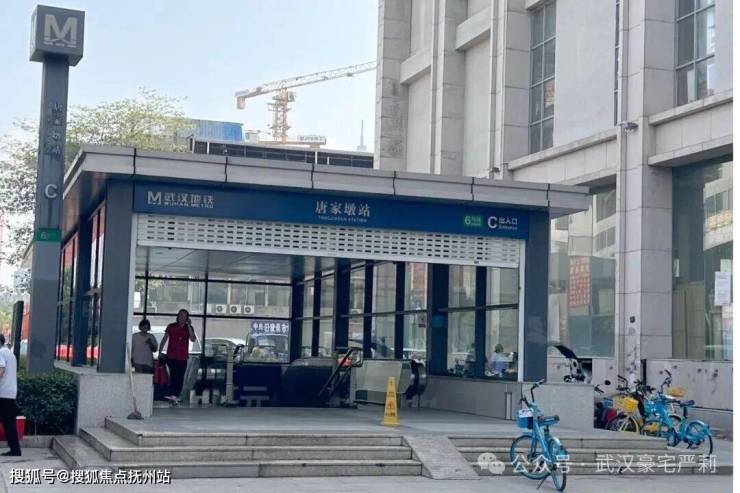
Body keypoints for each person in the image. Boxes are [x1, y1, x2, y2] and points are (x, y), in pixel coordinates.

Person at [158, 309, 196, 402]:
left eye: (184, 316)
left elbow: (193, 339)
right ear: (178, 316)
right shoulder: (171, 326)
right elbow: (165, 338)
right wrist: (160, 351)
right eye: (181, 315)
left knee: (180, 376)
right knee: (173, 375)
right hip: (172, 355)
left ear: (187, 318)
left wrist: (189, 326)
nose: (182, 318)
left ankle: (176, 395)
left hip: (183, 356)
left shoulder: (188, 328)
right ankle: (172, 394)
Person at [0, 334, 20, 456]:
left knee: (8, 422)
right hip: (10, 392)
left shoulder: (1, 353)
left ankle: (15, 449)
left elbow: (1, 370)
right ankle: (15, 449)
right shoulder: (10, 353)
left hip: (3, 392)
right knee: (9, 422)